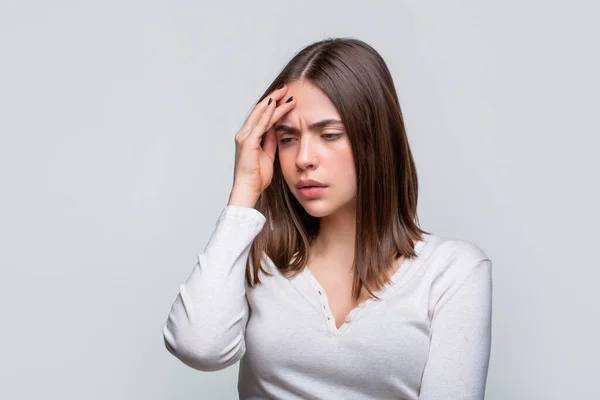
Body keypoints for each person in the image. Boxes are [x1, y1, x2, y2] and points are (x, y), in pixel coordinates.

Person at [162, 37, 492, 400]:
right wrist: (244, 190)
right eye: (287, 139)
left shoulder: (453, 272)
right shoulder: (259, 257)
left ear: (376, 139)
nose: (304, 158)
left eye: (330, 135)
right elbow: (199, 347)